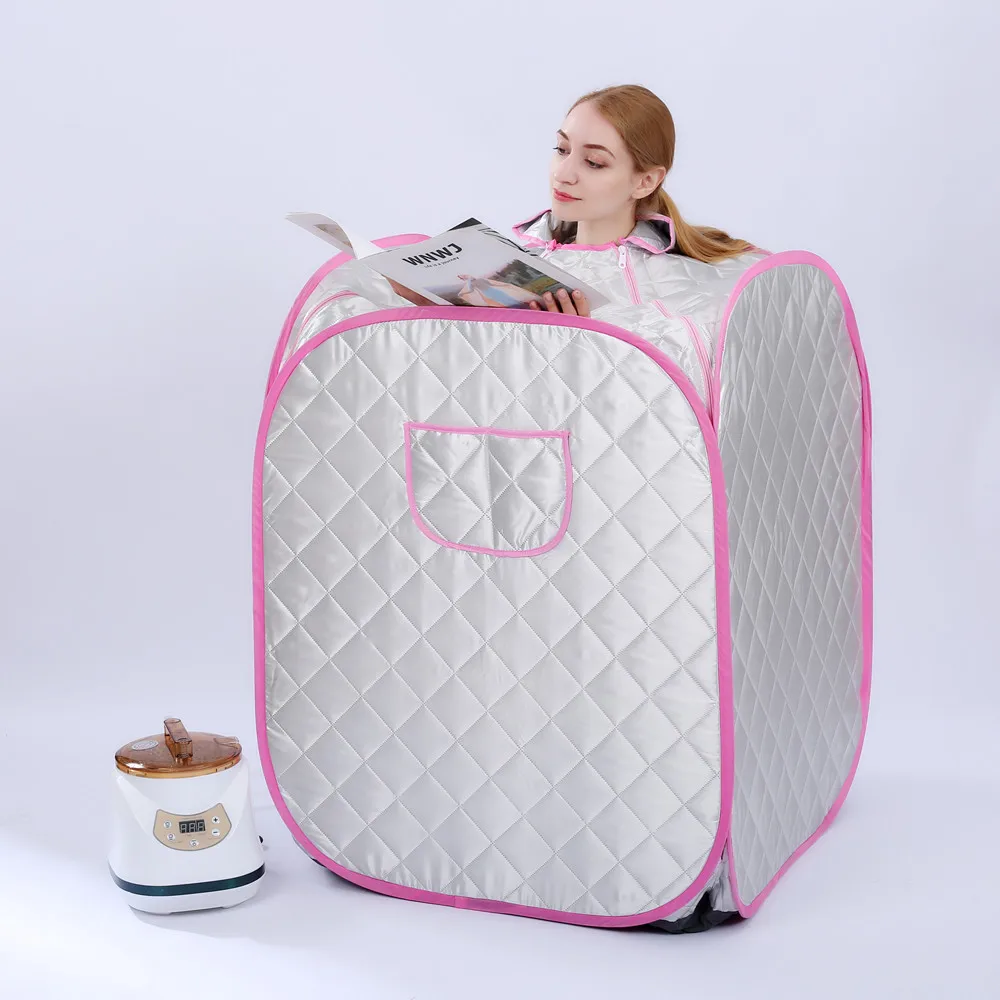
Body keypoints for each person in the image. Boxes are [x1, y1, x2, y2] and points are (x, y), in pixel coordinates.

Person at [512, 83, 766, 319]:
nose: (562, 174)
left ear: (645, 182)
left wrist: (581, 337)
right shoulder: (519, 266)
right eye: (562, 149)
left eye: (593, 162)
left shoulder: (702, 286)